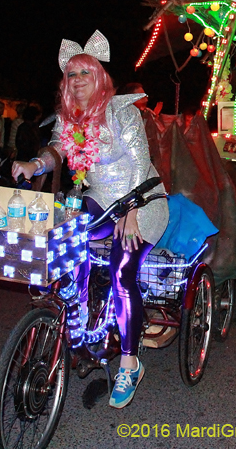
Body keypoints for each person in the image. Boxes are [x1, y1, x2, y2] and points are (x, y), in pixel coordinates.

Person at [13, 30, 168, 409]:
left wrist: (132, 210)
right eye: (71, 75)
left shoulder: (122, 113)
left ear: (99, 77)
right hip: (99, 198)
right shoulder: (68, 120)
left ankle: (130, 364)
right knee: (65, 237)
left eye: (85, 73)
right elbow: (56, 151)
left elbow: (138, 166)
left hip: (143, 198)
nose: (77, 81)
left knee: (121, 271)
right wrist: (35, 163)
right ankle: (78, 316)